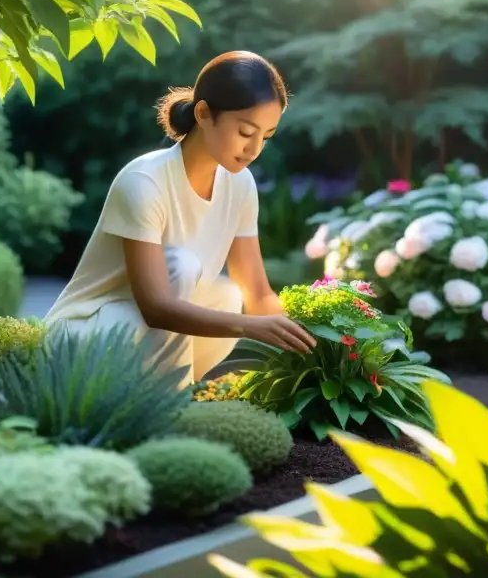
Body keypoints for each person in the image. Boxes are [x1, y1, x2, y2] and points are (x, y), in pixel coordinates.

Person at [43, 51, 317, 386]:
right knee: (182, 266)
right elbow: (155, 307)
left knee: (229, 295)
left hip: (140, 342)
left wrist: (318, 341)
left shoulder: (240, 184)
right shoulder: (144, 181)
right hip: (83, 337)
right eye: (246, 132)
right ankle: (170, 403)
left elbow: (258, 295)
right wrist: (248, 326)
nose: (255, 148)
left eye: (266, 136)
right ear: (203, 113)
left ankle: (170, 391)